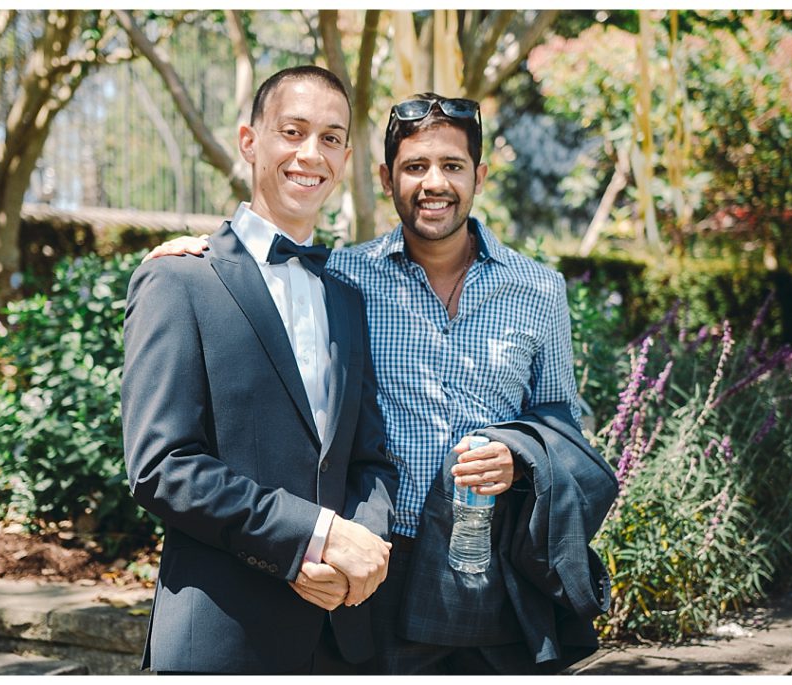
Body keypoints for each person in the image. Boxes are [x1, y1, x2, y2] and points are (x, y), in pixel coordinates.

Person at [147, 93, 617, 674]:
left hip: (491, 562)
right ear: (385, 177)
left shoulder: (540, 289)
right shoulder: (343, 279)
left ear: (480, 176)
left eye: (452, 166)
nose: (434, 183)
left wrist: (518, 458)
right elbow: (263, 279)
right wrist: (194, 256)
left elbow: (561, 419)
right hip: (378, 565)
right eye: (415, 167)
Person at [120, 65, 398, 675]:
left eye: (330, 138)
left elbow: (370, 458)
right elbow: (160, 467)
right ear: (250, 141)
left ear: (347, 156)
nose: (310, 154)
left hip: (339, 640)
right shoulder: (179, 280)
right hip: (221, 639)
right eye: (292, 131)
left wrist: (360, 552)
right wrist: (311, 536)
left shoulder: (347, 300)